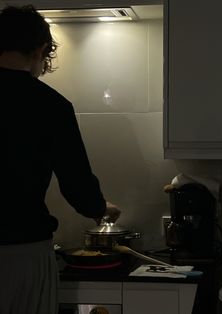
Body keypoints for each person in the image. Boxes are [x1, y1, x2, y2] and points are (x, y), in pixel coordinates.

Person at [0, 4, 121, 314]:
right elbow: (75, 179)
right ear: (40, 49)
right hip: (22, 252)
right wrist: (98, 208)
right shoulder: (51, 106)